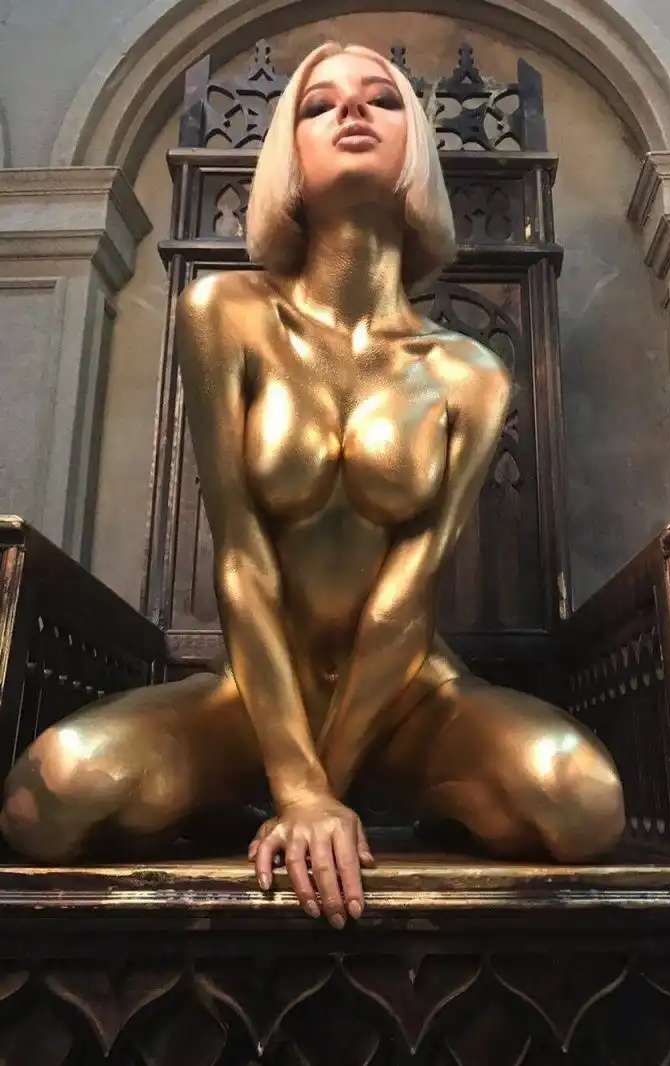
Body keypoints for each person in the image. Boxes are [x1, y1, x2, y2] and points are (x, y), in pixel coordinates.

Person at [0, 42, 624, 928]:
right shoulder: (227, 314)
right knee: (47, 798)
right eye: (319, 103)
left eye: (381, 98)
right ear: (289, 151)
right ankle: (244, 794)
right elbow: (242, 557)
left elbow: (406, 595)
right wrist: (296, 789)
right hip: (253, 695)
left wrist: (321, 793)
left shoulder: (470, 372)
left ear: (416, 145)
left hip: (409, 697)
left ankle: (420, 798)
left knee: (583, 801)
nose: (352, 112)